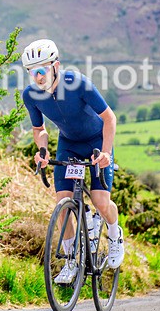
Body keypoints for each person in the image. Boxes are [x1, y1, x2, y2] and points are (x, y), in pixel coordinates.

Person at [21, 39, 123, 284]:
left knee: (100, 201)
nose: (37, 77)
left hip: (97, 141)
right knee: (64, 203)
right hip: (69, 144)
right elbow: (39, 129)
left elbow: (109, 118)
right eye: (32, 72)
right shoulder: (31, 95)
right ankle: (70, 262)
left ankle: (113, 233)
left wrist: (106, 153)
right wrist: (43, 149)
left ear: (55, 66)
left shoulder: (77, 84)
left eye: (41, 70)